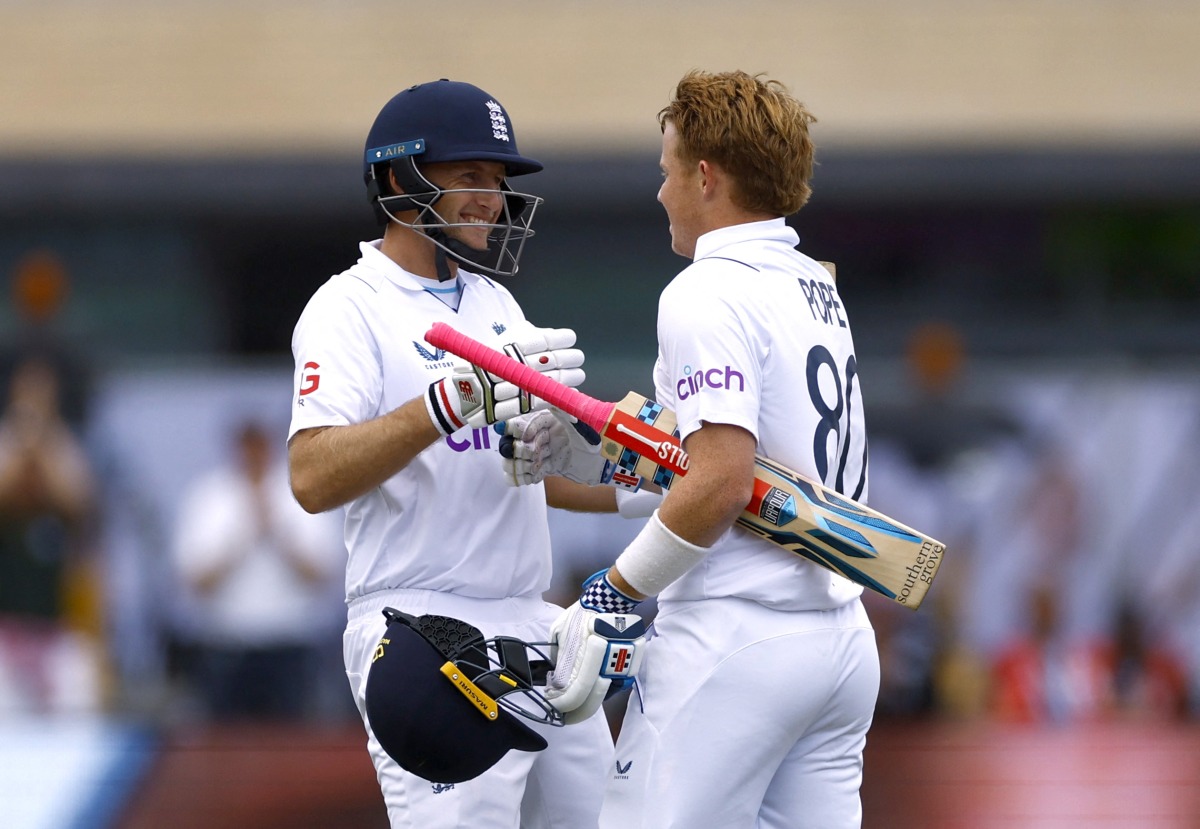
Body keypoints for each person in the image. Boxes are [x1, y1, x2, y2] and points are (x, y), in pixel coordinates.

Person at [503, 70, 881, 828]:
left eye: (666, 170)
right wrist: (566, 474)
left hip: (736, 634)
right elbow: (693, 468)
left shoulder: (706, 290)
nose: (661, 192)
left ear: (705, 176)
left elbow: (719, 485)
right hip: (840, 642)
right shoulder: (813, 282)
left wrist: (613, 590)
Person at [286, 79, 615, 827]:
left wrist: (652, 482)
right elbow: (311, 476)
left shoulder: (495, 303)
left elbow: (531, 477)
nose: (491, 198)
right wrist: (445, 403)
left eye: (498, 181)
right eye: (471, 175)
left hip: (533, 618)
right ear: (401, 178)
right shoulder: (348, 306)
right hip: (421, 624)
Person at [170, 419, 344, 722]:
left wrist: (277, 532)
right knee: (225, 745)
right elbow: (196, 581)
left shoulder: (301, 489)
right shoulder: (210, 495)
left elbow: (321, 575)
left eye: (259, 445)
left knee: (292, 745)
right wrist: (243, 537)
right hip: (226, 645)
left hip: (290, 644)